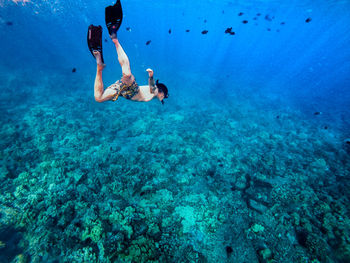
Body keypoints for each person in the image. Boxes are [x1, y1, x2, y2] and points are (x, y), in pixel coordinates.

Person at [87, 0, 169, 104]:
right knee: (127, 74)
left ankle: (100, 67)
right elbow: (153, 86)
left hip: (123, 92)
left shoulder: (154, 95)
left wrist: (152, 78)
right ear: (162, 92)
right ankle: (115, 40)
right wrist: (151, 76)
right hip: (132, 89)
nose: (163, 98)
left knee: (99, 98)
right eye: (164, 96)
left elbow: (153, 86)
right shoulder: (155, 91)